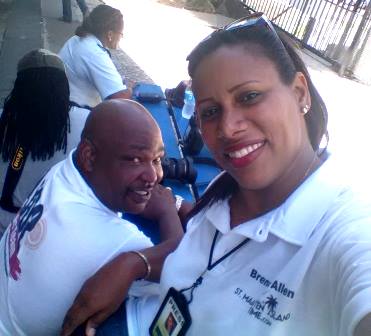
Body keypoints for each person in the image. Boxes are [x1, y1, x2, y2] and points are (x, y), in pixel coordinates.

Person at [60, 13, 371, 336]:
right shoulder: (229, 186)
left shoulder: (348, 228)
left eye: (249, 96)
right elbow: (212, 259)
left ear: (299, 93)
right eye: (210, 111)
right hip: (141, 319)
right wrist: (135, 263)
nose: (227, 128)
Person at [0, 99, 183, 335]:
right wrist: (169, 211)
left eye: (157, 160)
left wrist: (165, 201)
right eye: (135, 159)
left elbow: (126, 191)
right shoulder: (111, 239)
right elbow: (184, 268)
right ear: (89, 156)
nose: (154, 176)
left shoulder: (65, 171)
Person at [0, 49, 89, 237]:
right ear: (64, 86)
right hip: (45, 233)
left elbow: (17, 158)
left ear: (19, 86)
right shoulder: (86, 122)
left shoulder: (4, 117)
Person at [59, 4, 131, 110]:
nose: (121, 37)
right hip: (76, 114)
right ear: (110, 34)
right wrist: (130, 89)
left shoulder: (78, 39)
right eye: (121, 33)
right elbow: (119, 98)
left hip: (62, 104)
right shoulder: (95, 53)